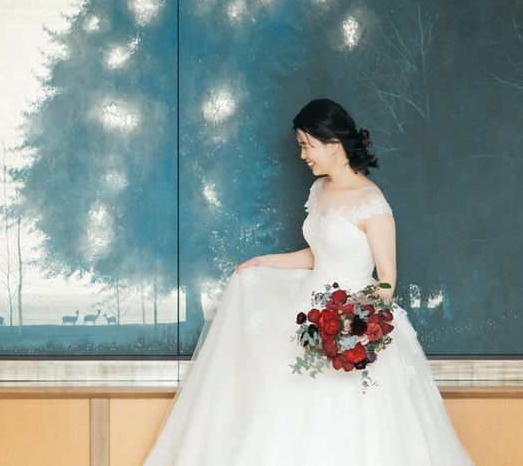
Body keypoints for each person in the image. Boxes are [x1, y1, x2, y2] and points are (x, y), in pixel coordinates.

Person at [144, 98, 476, 465]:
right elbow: (319, 254)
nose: (303, 155)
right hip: (310, 315)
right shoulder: (319, 190)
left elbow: (387, 279)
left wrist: (355, 325)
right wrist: (261, 262)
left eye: (307, 145)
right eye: (300, 146)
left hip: (352, 320)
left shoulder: (372, 203)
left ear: (332, 143)